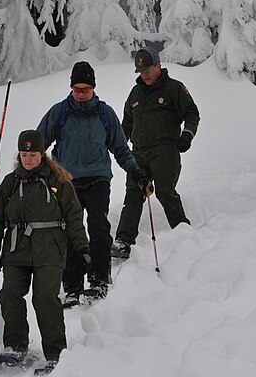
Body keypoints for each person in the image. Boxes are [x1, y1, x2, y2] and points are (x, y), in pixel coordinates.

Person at [36, 61, 147, 306]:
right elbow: (38, 143)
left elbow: (120, 149)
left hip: (98, 180)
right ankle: (73, 287)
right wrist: (31, 166)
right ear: (71, 88)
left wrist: (136, 172)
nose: (81, 93)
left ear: (93, 88)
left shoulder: (105, 114)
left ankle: (99, 281)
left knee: (98, 227)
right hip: (67, 183)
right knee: (70, 233)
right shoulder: (60, 112)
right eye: (77, 89)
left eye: (85, 89)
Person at [0, 130, 89, 375]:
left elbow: (74, 216)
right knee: (10, 294)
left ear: (42, 154)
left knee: (45, 298)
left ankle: (55, 353)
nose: (28, 159)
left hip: (50, 250)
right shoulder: (11, 183)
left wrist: (82, 246)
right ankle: (15, 345)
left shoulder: (58, 181)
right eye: (24, 154)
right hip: (15, 250)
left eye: (33, 154)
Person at [112, 47, 200, 257]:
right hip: (138, 153)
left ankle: (184, 234)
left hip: (165, 150)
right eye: (141, 71)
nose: (146, 74)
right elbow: (126, 124)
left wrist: (187, 134)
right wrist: (119, 145)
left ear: (158, 66)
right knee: (133, 192)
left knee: (164, 191)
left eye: (149, 69)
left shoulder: (174, 88)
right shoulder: (135, 93)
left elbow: (192, 113)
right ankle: (123, 242)